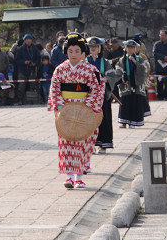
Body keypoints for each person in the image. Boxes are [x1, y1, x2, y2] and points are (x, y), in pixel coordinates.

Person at [47, 33, 103, 189]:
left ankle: (79, 177)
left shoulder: (90, 70)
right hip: (65, 111)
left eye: (77, 51)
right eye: (70, 51)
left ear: (83, 52)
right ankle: (69, 176)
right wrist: (59, 107)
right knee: (66, 143)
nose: (73, 54)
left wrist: (86, 107)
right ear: (66, 52)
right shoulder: (60, 69)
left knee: (83, 141)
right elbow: (55, 89)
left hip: (84, 111)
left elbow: (96, 90)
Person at [86, 37, 121, 153]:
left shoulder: (104, 62)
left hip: (102, 96)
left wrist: (106, 79)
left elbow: (112, 75)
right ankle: (90, 145)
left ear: (99, 48)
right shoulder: (84, 61)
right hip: (88, 97)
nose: (93, 49)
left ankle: (104, 144)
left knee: (104, 118)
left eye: (95, 47)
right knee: (89, 120)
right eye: (91, 47)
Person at [116, 39, 149, 129]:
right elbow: (118, 71)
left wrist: (135, 62)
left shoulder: (140, 59)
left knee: (135, 102)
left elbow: (144, 70)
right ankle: (123, 121)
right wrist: (122, 78)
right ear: (125, 48)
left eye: (132, 48)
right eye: (128, 47)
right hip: (126, 84)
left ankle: (133, 122)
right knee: (125, 102)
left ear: (135, 49)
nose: (130, 49)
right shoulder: (122, 60)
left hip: (136, 83)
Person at [14, 34, 41, 104]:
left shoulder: (35, 49)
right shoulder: (20, 49)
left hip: (32, 70)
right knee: (21, 86)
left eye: (30, 39)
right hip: (22, 70)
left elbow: (39, 58)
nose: (28, 41)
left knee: (34, 85)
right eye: (27, 40)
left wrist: (35, 63)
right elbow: (17, 60)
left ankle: (36, 99)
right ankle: (20, 100)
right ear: (24, 40)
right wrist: (24, 62)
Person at [152, 29, 167, 100]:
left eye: (163, 35)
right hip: (159, 67)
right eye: (160, 35)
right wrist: (162, 57)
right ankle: (160, 97)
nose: (161, 36)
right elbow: (155, 53)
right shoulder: (157, 44)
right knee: (159, 83)